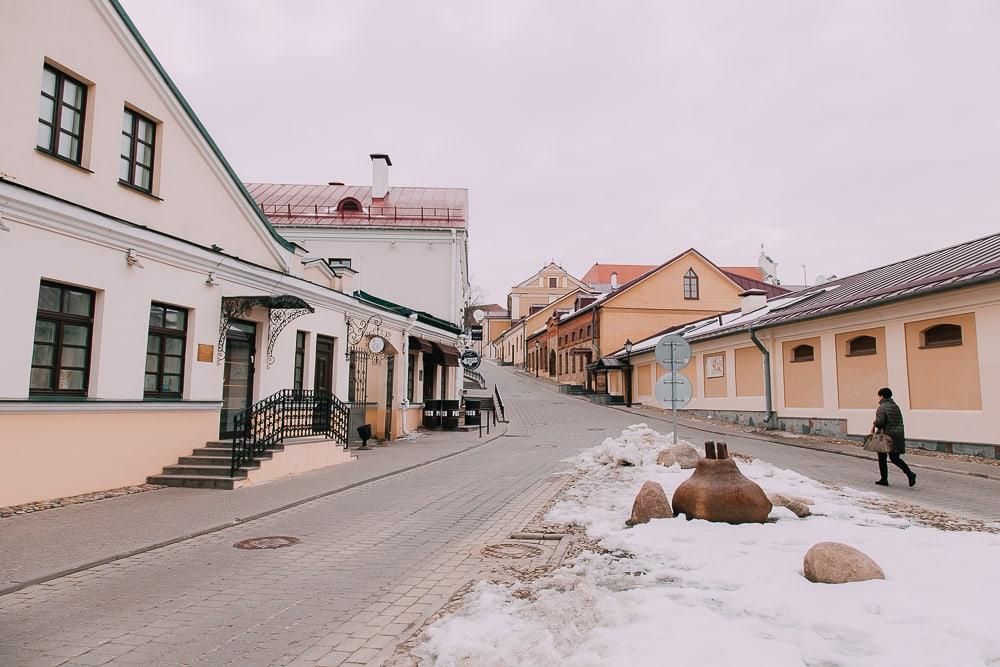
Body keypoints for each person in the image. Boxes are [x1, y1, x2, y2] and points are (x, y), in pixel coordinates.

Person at [871, 387, 916, 487]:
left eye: (879, 396)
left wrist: (875, 423)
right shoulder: (895, 406)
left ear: (881, 396)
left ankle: (884, 479)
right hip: (897, 435)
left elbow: (881, 422)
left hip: (886, 436)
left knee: (882, 457)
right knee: (895, 458)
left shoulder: (882, 407)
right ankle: (910, 474)